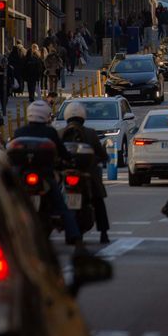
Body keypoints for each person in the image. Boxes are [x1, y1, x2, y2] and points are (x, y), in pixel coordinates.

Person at [12, 100, 82, 245]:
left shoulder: (19, 132)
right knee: (62, 206)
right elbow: (62, 152)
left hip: (22, 176)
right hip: (45, 175)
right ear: (45, 115)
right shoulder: (50, 132)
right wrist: (70, 160)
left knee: (9, 203)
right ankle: (74, 235)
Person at [60, 102, 112, 244]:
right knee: (98, 200)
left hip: (67, 174)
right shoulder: (90, 133)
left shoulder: (60, 133)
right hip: (86, 174)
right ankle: (104, 233)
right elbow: (101, 154)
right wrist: (103, 158)